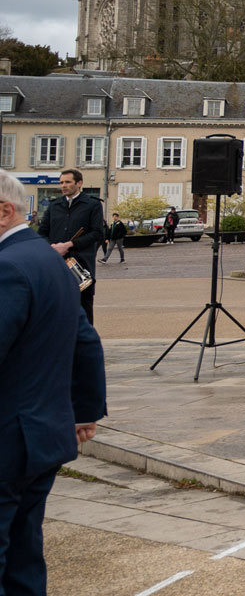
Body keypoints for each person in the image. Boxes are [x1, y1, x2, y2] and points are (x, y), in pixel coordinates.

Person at [0, 171, 107, 596]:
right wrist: (84, 411)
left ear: (4, 211)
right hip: (43, 434)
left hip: (9, 436)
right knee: (24, 555)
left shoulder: (8, 268)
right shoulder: (49, 259)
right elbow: (85, 341)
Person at [36, 169, 105, 323]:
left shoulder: (92, 205)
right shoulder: (54, 206)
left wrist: (69, 244)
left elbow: (97, 233)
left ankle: (84, 345)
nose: (64, 186)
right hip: (56, 264)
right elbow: (41, 233)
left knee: (83, 310)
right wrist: (53, 247)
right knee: (56, 308)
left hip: (81, 265)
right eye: (61, 182)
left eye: (67, 182)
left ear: (79, 183)